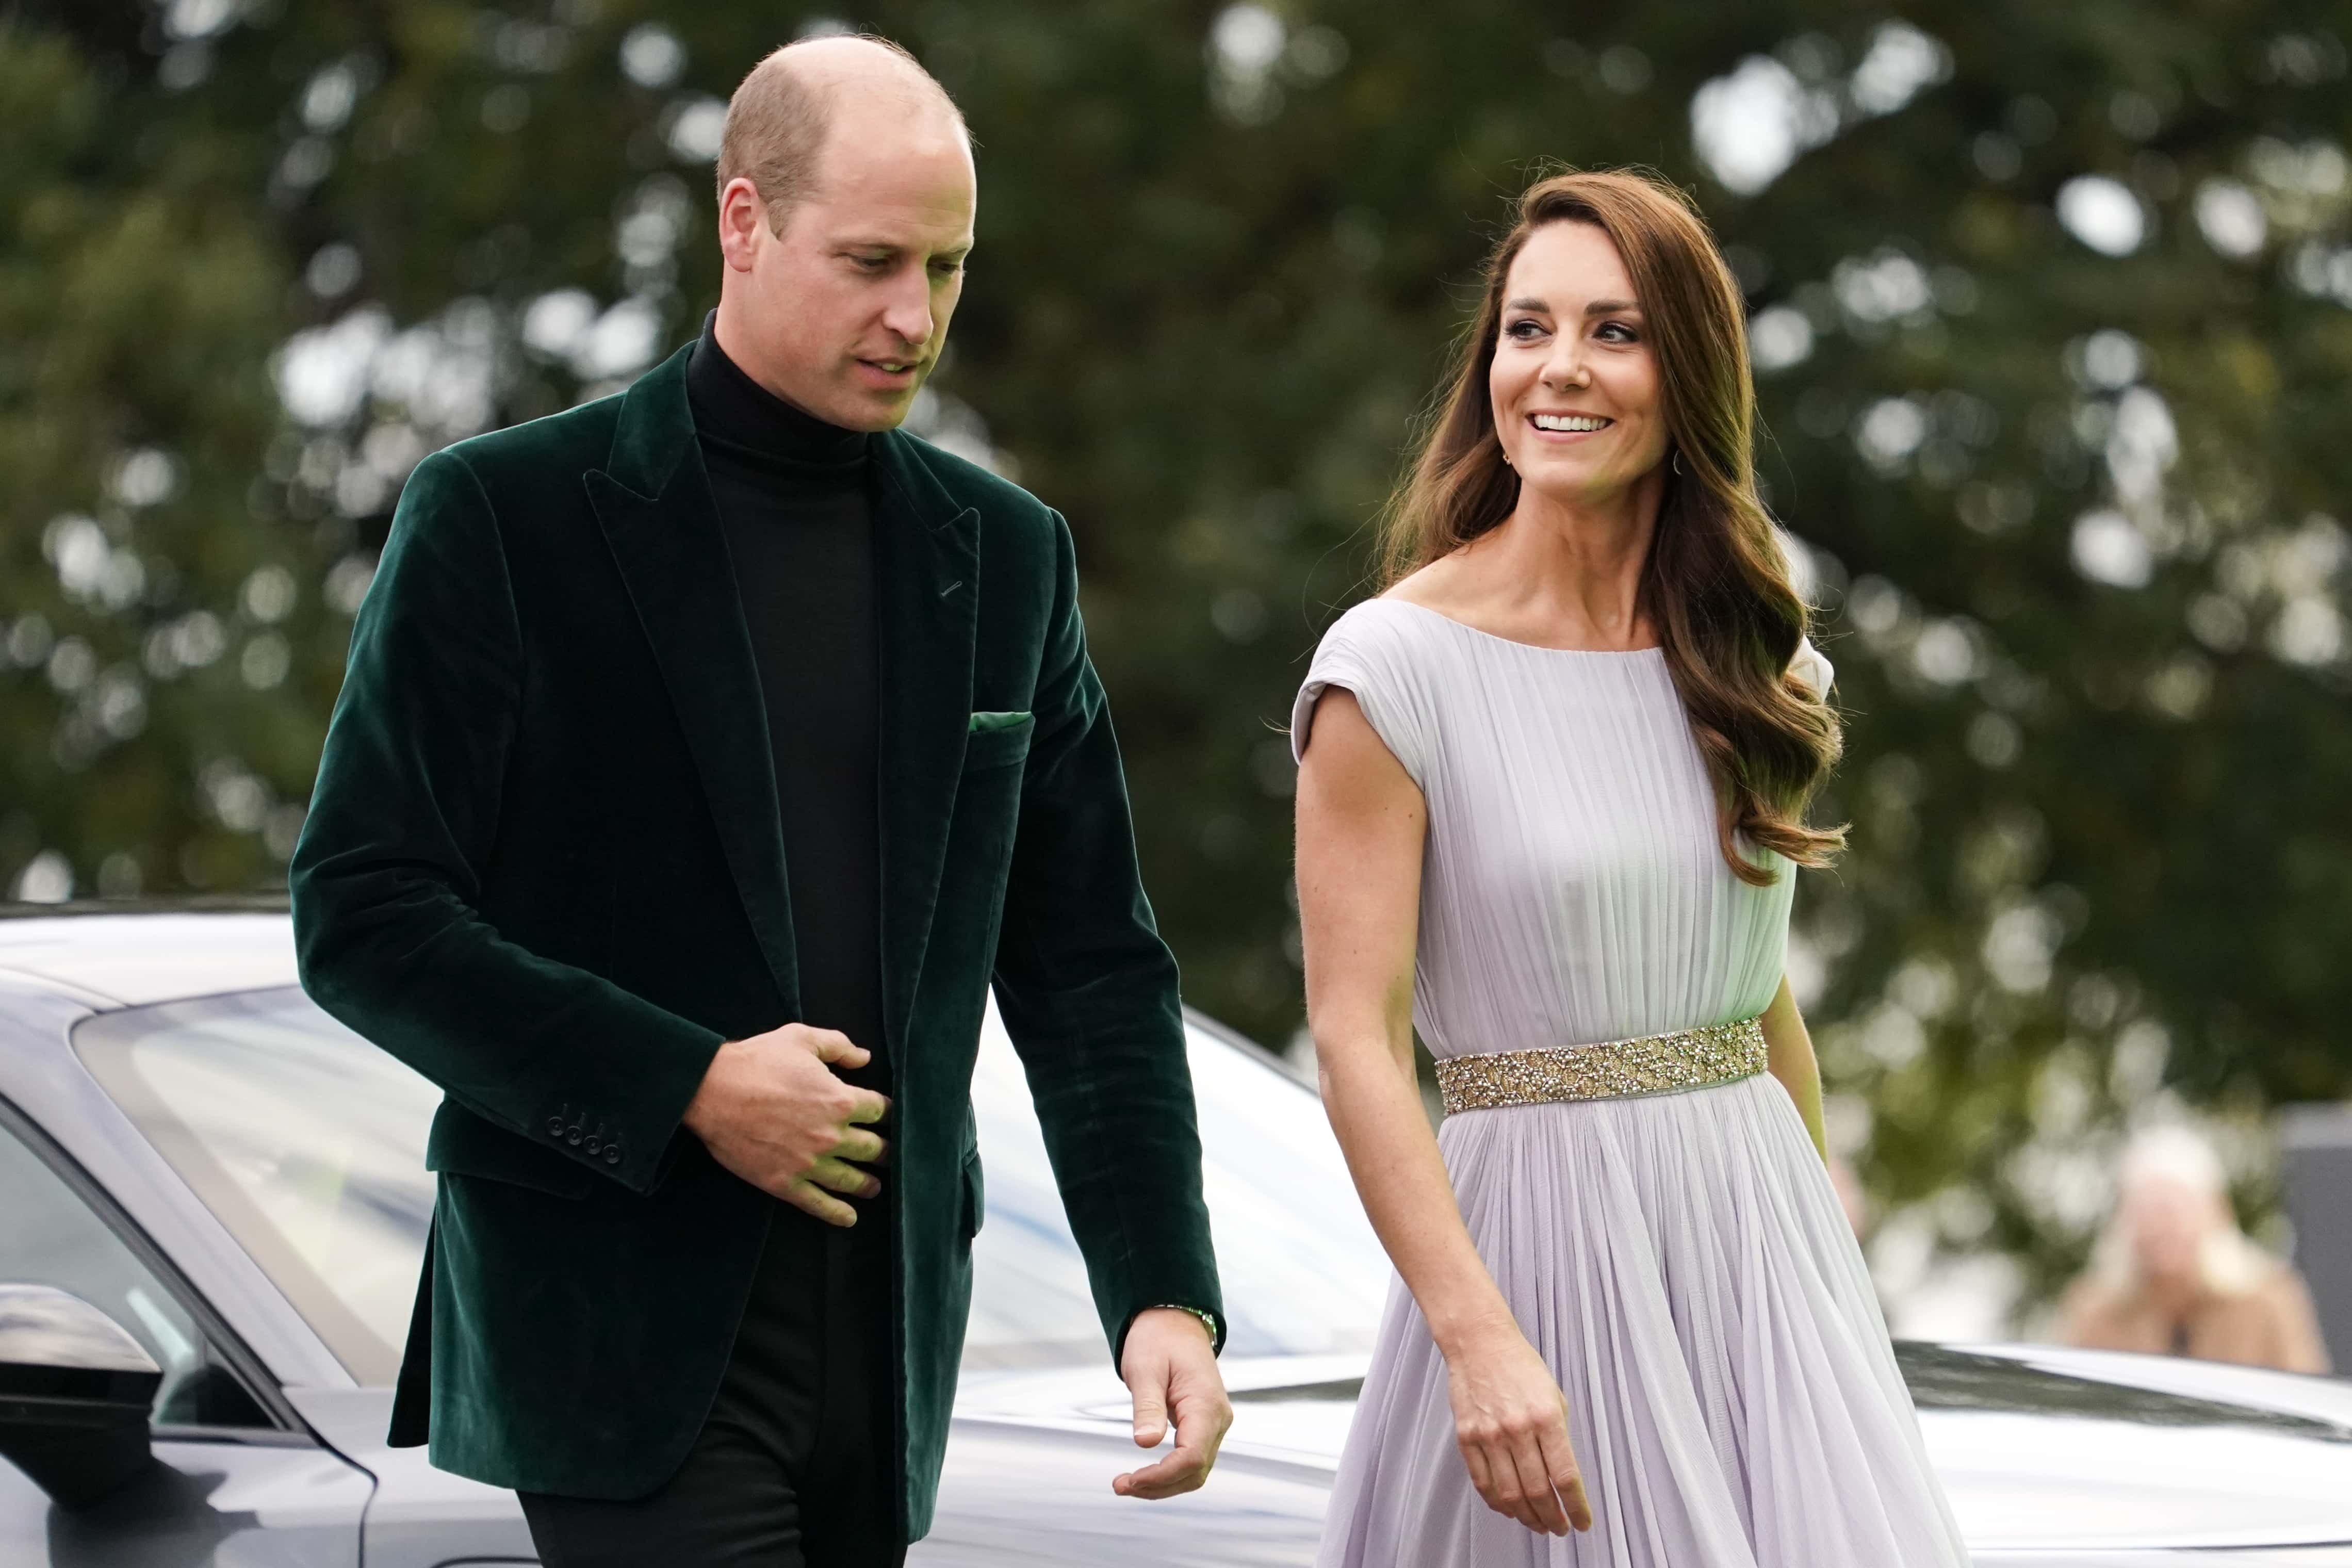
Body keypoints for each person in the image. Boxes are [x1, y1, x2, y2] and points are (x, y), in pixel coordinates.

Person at [290, 35, 1228, 1568]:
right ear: (742, 222)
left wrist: (1162, 1289)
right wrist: (690, 1083)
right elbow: (363, 910)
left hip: (889, 1328)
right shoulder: (504, 516)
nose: (912, 315)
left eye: (945, 267)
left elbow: (1090, 966)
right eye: (869, 261)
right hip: (611, 1322)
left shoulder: (1006, 556)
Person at [1291, 169, 1968, 1566]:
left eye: (1615, 331)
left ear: (1688, 375)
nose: (1559, 369)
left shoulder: (1761, 668)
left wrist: (1828, 1297)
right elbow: (1355, 1039)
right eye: (1527, 328)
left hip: (1764, 1274)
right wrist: (1477, 1342)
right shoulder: (1391, 671)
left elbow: (1763, 1008)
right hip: (1532, 1274)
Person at [2057, 1123, 2330, 1372]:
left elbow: (2306, 1399)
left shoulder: (2270, 1302)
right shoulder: (2096, 1311)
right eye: (2149, 1211)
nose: (2162, 1226)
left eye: (2175, 1210)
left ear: (2214, 1213)